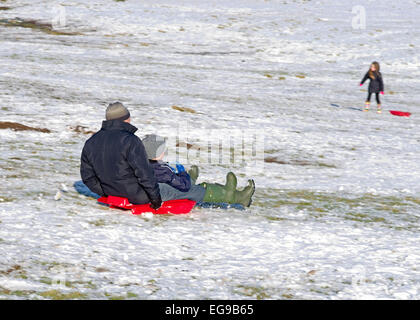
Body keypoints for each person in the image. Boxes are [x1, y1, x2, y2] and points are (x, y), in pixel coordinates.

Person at [80, 102, 162, 209]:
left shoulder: (91, 142)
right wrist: (155, 199)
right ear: (126, 118)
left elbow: (88, 176)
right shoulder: (131, 140)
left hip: (110, 193)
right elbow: (144, 173)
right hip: (137, 196)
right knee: (184, 189)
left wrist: (105, 193)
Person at [141, 134, 256, 207]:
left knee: (180, 183)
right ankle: (234, 196)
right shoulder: (162, 169)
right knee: (193, 190)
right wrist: (182, 173)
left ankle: (191, 179)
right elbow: (183, 185)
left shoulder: (138, 164)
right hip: (160, 193)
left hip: (148, 189)